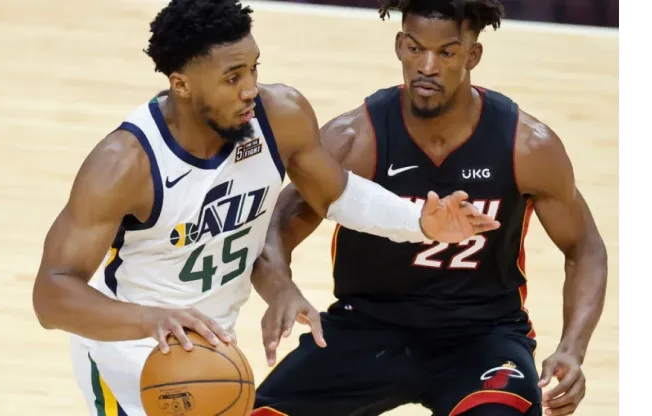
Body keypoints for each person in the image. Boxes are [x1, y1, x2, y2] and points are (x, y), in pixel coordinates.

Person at [30, 0, 499, 415]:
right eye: (232, 78)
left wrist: (416, 220)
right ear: (182, 85)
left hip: (214, 349)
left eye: (253, 68)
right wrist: (153, 319)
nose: (250, 88)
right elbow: (51, 296)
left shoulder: (279, 115)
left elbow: (336, 195)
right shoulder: (124, 164)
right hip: (131, 354)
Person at [251, 1, 608, 416]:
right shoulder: (355, 138)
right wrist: (281, 288)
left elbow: (585, 248)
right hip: (366, 327)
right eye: (416, 48)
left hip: (481, 336)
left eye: (447, 52)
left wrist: (572, 348)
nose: (427, 66)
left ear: (472, 56)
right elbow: (277, 222)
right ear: (400, 46)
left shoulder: (526, 146)